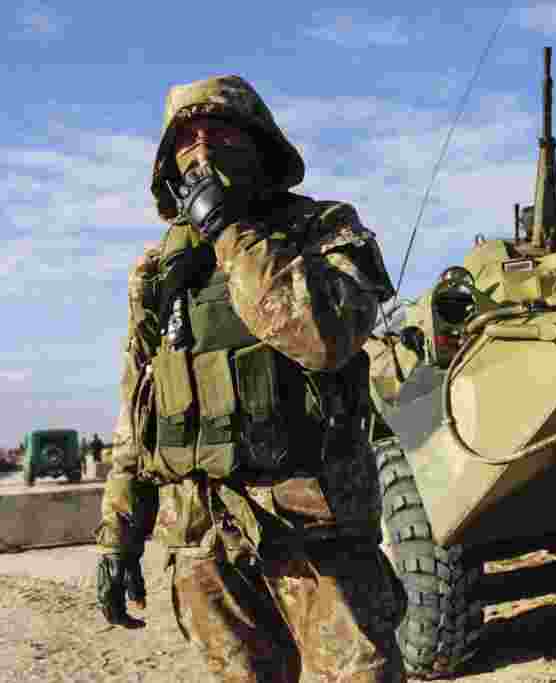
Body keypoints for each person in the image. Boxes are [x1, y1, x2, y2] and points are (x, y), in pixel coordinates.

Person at [95, 75, 406, 683]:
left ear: (259, 143)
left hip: (316, 538)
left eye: (219, 131)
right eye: (186, 140)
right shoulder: (160, 268)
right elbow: (139, 413)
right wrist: (118, 536)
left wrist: (231, 232)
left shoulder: (325, 228)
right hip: (204, 543)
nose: (202, 150)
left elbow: (323, 337)